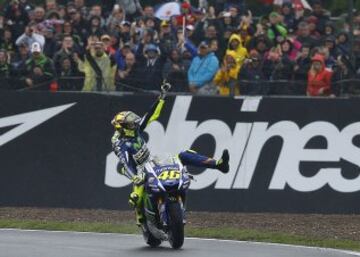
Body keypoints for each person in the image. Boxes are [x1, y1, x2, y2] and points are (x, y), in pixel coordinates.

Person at [111, 82, 230, 225]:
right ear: (122, 128)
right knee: (136, 196)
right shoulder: (119, 142)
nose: (135, 124)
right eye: (131, 124)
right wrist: (135, 177)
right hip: (135, 169)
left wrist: (162, 97)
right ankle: (141, 218)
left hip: (150, 161)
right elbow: (125, 162)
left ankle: (218, 164)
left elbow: (151, 115)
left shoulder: (135, 129)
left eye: (134, 122)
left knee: (183, 155)